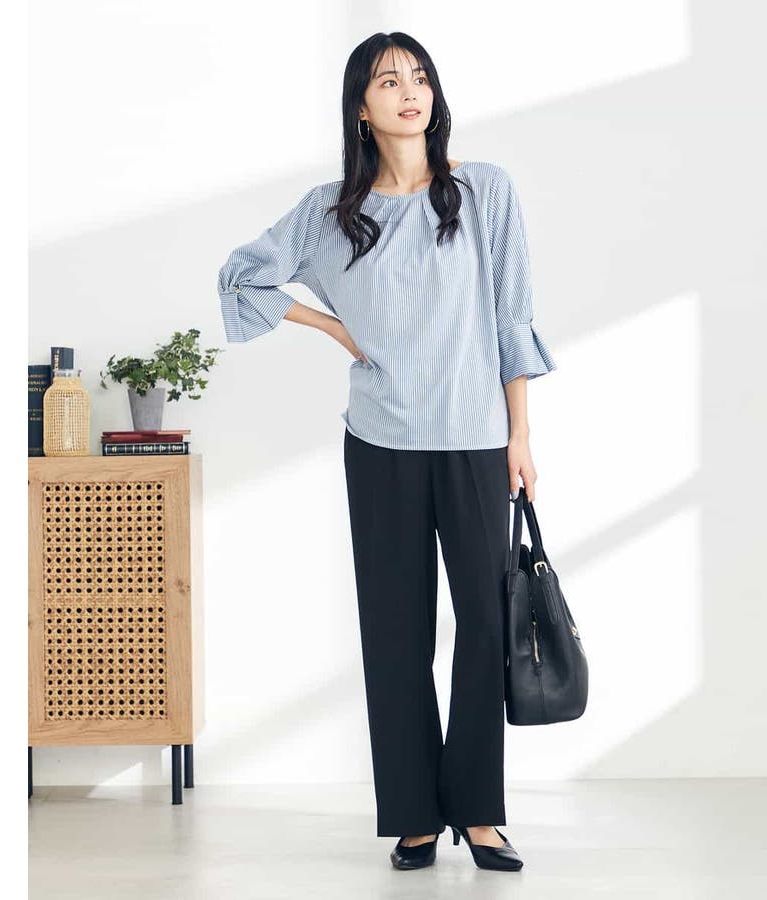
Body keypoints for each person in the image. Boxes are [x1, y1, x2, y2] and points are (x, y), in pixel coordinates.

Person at [217, 32, 556, 872]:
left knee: (485, 625)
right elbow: (242, 277)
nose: (410, 92)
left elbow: (512, 315)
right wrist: (334, 327)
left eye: (420, 77)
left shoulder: (484, 190)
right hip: (380, 443)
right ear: (361, 108)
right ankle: (413, 815)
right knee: (397, 633)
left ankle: (479, 812)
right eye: (388, 81)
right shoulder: (331, 213)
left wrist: (520, 434)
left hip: (476, 437)